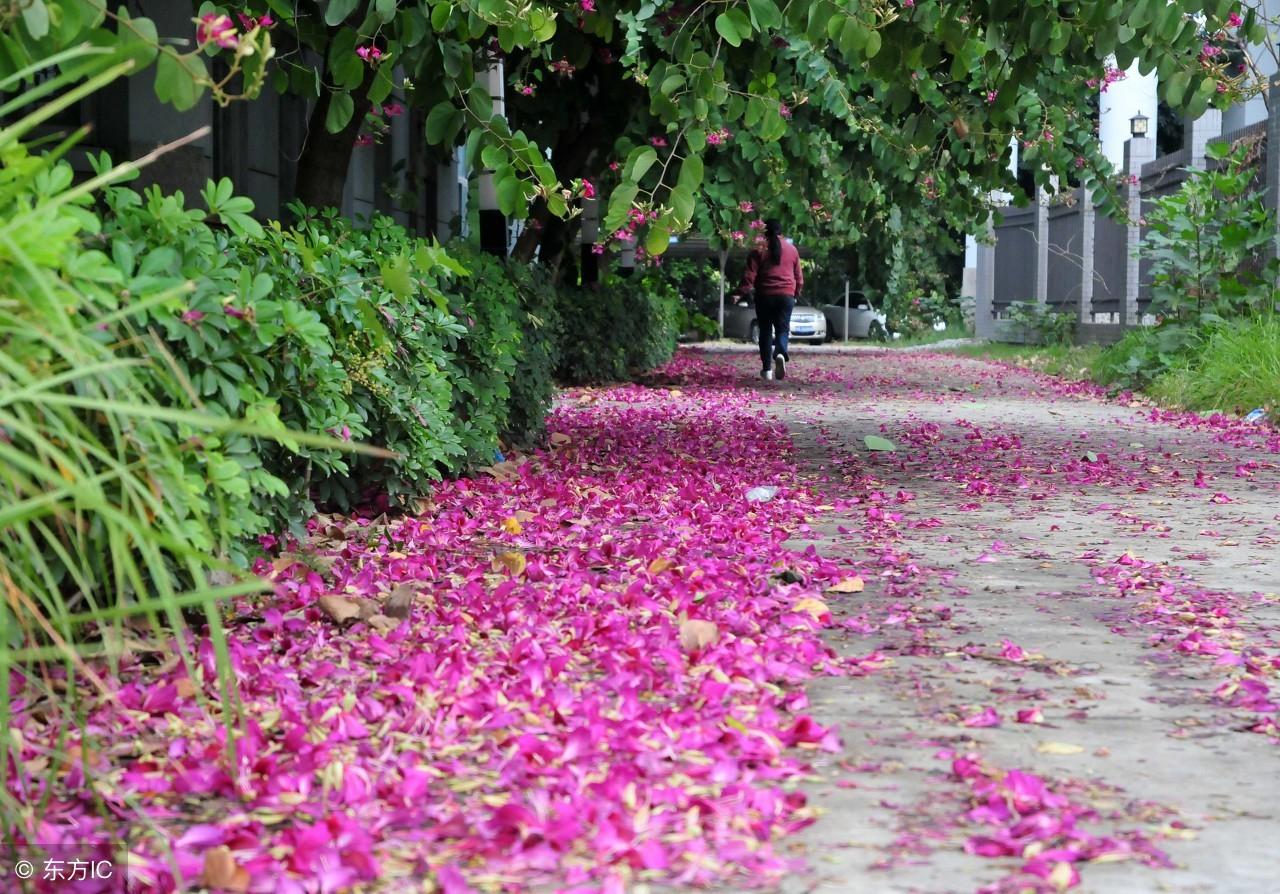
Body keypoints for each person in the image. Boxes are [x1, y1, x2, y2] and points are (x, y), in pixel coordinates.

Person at [739, 219, 803, 381]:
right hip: (786, 295)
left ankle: (767, 369)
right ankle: (780, 353)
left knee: (765, 332)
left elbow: (749, 275)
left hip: (764, 295)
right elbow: (799, 278)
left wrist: (740, 292)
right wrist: (796, 293)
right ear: (781, 231)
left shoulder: (758, 250)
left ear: (763, 231)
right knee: (782, 329)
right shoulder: (792, 250)